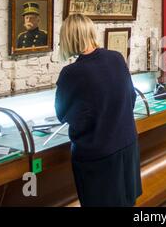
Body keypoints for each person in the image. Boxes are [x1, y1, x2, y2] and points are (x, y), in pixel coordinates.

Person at [55, 14, 142, 207]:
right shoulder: (116, 58)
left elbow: (62, 114)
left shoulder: (71, 73)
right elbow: (131, 98)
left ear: (68, 38)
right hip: (128, 145)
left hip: (99, 156)